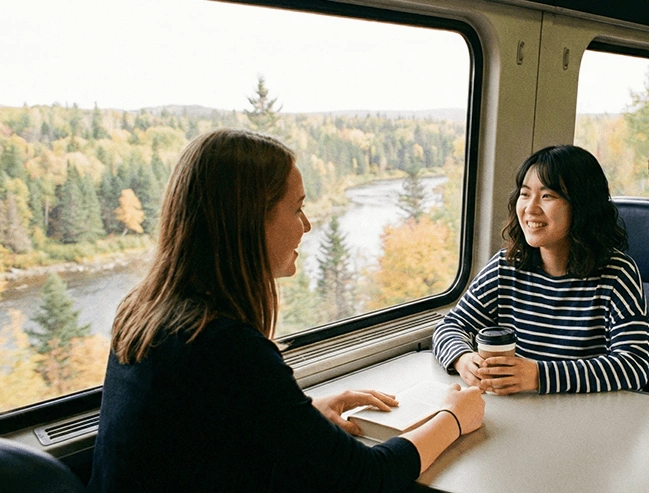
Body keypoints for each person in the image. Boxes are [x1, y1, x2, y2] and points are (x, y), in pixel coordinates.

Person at [89, 129, 485, 492]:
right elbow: (367, 477)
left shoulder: (147, 311)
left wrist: (303, 416)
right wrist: (452, 417)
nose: (307, 225)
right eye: (296, 209)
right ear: (248, 221)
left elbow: (201, 434)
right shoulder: (223, 344)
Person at [432, 145, 649, 395]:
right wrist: (462, 358)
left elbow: (635, 365)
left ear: (582, 205)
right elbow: (450, 326)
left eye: (547, 196)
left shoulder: (617, 273)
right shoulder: (506, 266)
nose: (530, 208)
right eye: (525, 195)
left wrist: (538, 375)